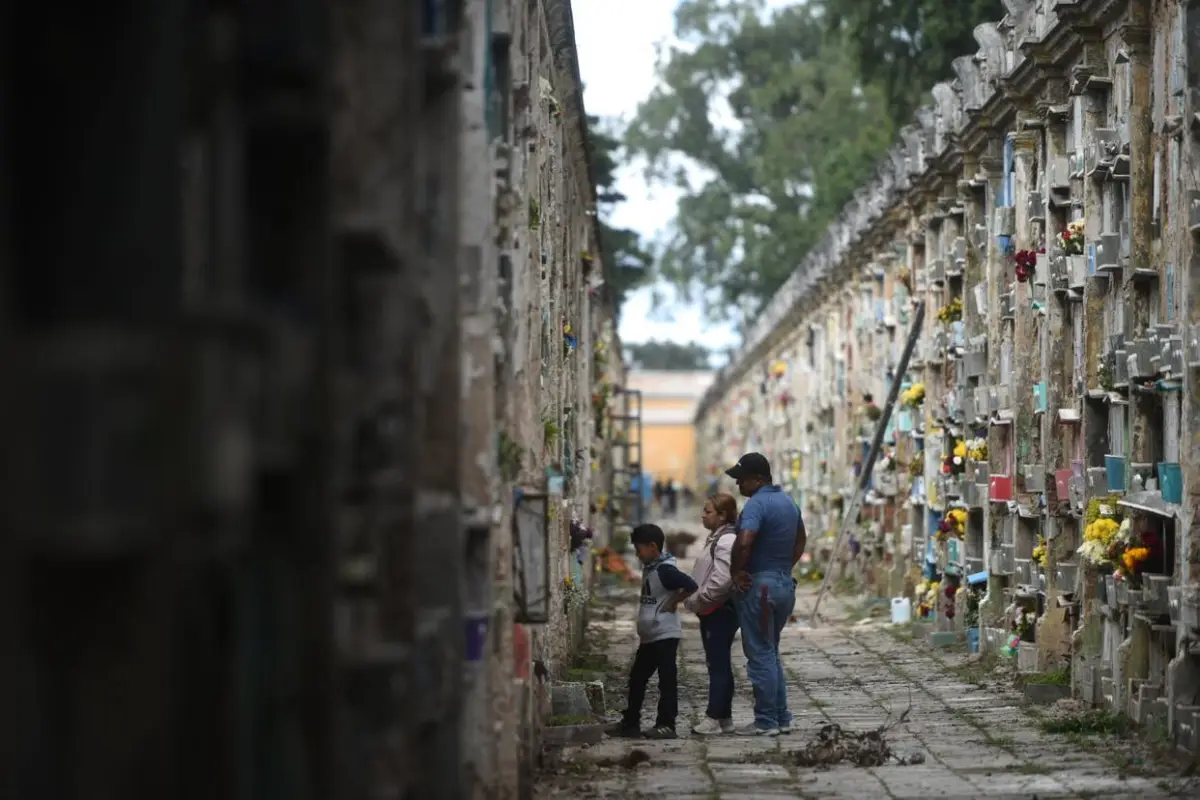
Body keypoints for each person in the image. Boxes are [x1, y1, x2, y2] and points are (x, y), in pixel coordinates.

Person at [725, 453, 807, 737]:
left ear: (758, 479)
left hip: (759, 588)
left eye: (741, 479)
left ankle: (766, 721)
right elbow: (801, 539)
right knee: (770, 651)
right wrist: (784, 567)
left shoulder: (756, 505)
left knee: (759, 654)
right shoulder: (788, 501)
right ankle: (782, 716)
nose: (738, 485)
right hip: (783, 584)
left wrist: (737, 572)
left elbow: (745, 542)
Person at [606, 523, 698, 739]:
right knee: (637, 678)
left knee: (667, 680)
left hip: (665, 635)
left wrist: (675, 601)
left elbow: (691, 584)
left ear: (653, 546)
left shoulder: (666, 570)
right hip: (649, 636)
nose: (637, 555)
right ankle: (630, 723)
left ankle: (667, 724)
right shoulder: (651, 567)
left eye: (639, 549)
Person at [684, 493, 740, 735]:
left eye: (708, 512)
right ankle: (725, 717)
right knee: (717, 662)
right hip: (713, 609)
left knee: (717, 665)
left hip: (718, 610)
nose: (702, 515)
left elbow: (722, 579)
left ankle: (713, 717)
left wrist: (700, 599)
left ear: (722, 515)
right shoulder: (718, 538)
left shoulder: (726, 541)